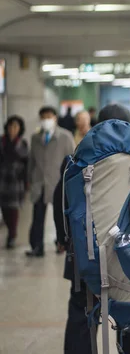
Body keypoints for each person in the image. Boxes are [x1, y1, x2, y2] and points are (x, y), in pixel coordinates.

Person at [55, 104, 130, 354]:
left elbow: (60, 201)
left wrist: (65, 241)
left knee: (81, 323)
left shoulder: (77, 156)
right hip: (128, 259)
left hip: (83, 260)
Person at [27, 106, 75, 257]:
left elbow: (72, 159)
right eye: (43, 117)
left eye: (49, 116)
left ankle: (61, 242)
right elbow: (31, 161)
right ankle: (37, 246)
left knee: (60, 215)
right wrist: (29, 178)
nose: (46, 120)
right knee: (38, 217)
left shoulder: (65, 136)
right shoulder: (35, 138)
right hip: (39, 182)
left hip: (58, 183)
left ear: (55, 118)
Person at [0, 115, 28, 249]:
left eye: (16, 127)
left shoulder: (22, 143)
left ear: (20, 129)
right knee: (4, 208)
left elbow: (26, 161)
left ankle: (12, 235)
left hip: (16, 180)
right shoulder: (2, 141)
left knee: (13, 209)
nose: (13, 129)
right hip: (2, 179)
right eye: (11, 126)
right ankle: (9, 229)